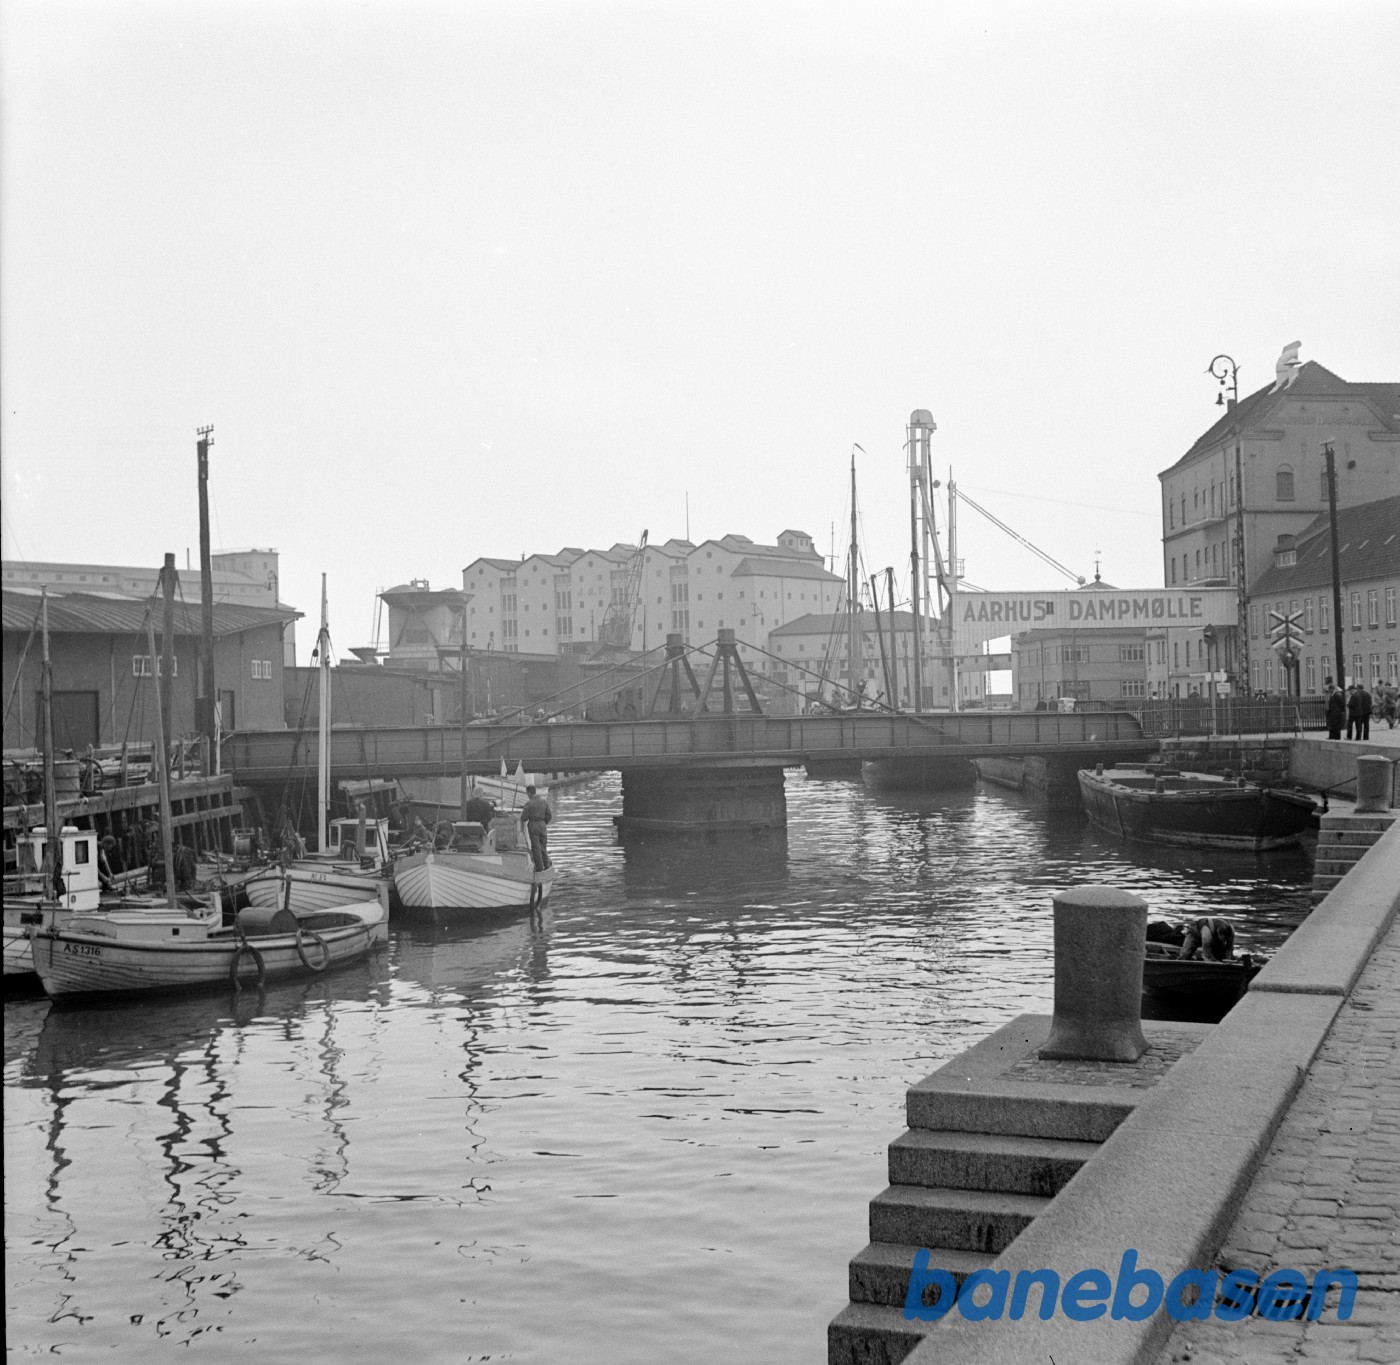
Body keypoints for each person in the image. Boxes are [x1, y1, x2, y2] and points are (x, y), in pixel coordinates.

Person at [519, 784, 552, 871]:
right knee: (543, 846)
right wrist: (544, 823)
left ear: (529, 793)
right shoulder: (544, 802)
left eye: (527, 793)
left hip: (533, 825)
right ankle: (547, 865)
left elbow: (523, 818)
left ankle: (539, 868)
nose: (528, 795)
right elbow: (549, 816)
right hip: (542, 825)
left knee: (536, 848)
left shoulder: (529, 803)